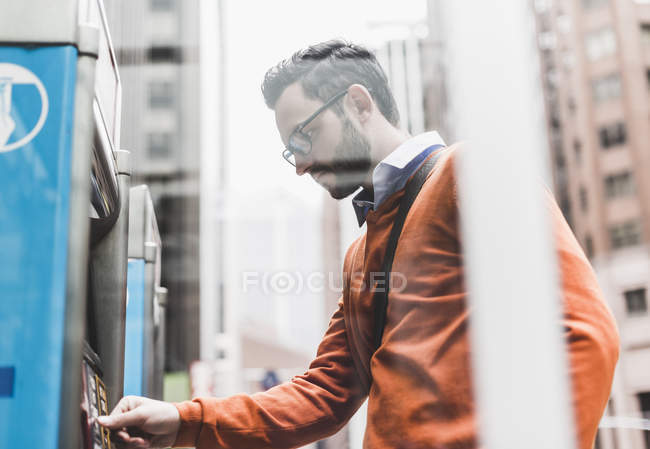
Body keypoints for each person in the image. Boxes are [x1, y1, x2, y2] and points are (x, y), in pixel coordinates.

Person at [98, 39, 620, 449]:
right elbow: (324, 393)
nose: (300, 164)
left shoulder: (470, 171)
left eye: (303, 137)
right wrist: (182, 420)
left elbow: (585, 333)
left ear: (358, 102)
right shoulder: (360, 252)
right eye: (289, 153)